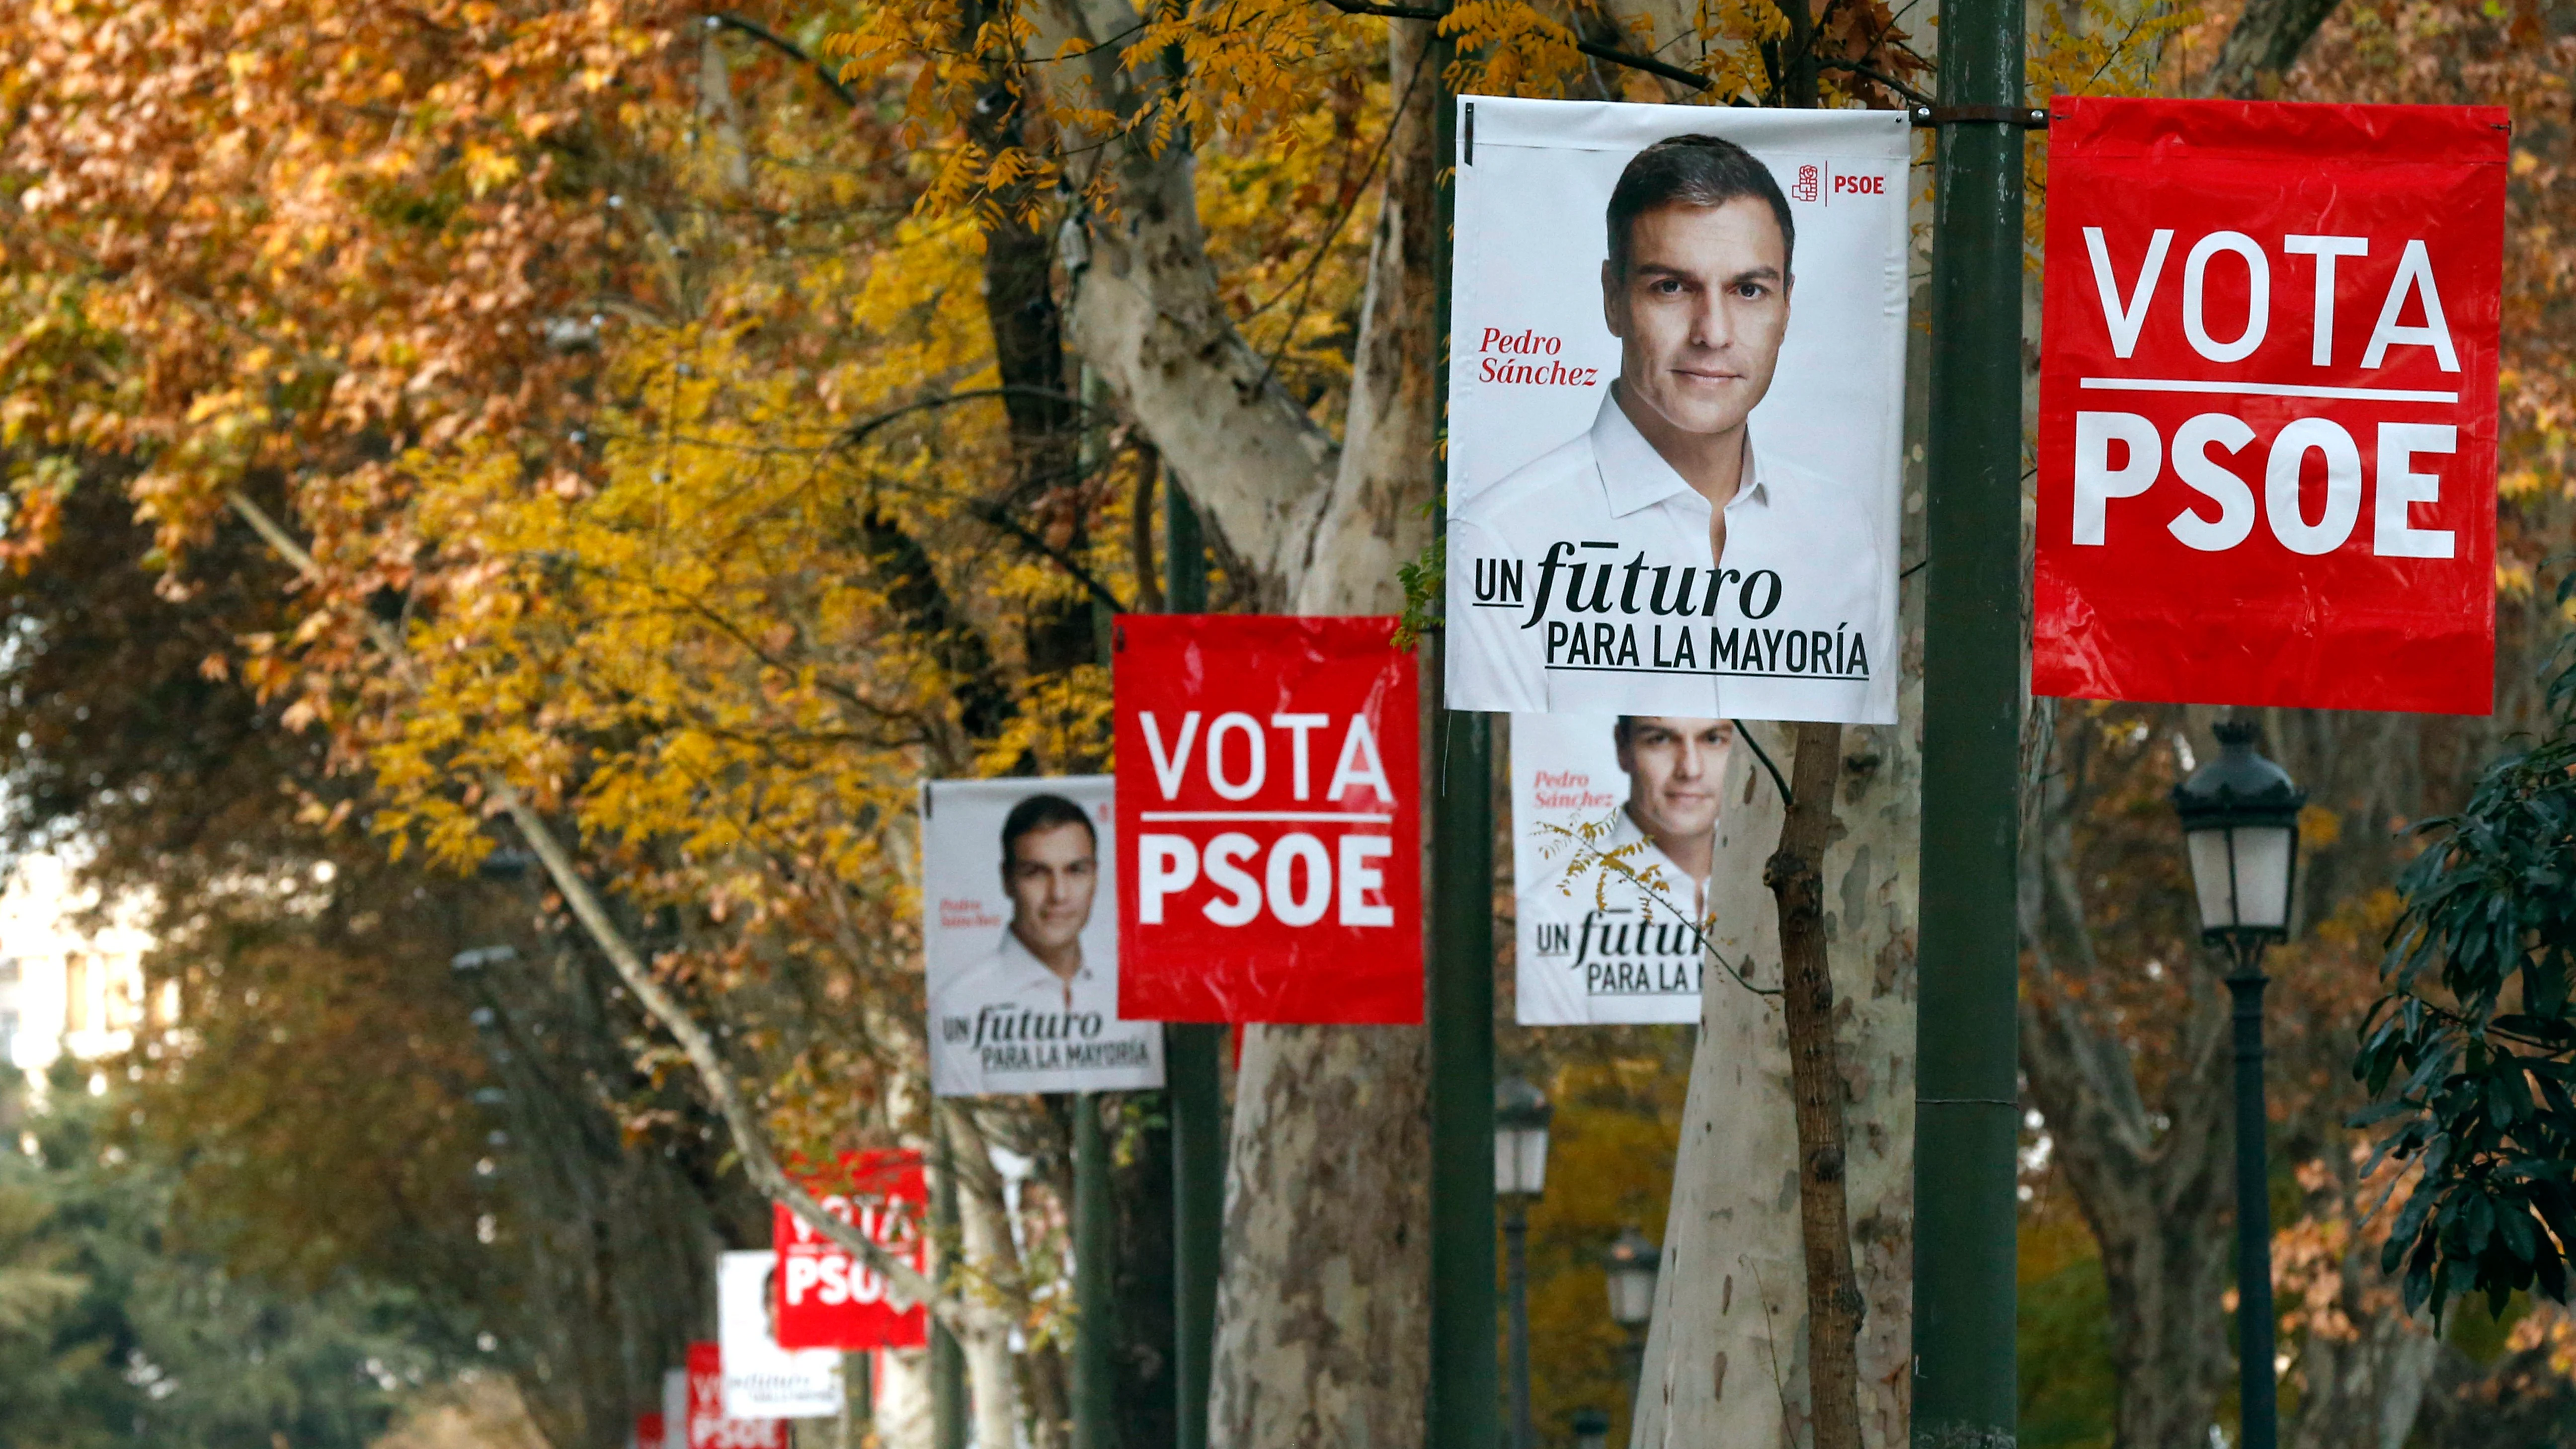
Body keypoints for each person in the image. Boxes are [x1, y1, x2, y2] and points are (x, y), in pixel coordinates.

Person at [1449, 134, 1887, 715]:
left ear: (1786, 309)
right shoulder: (1503, 540)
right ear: (1613, 299)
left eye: (1749, 290)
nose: (1712, 332)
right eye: (1672, 288)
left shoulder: (1844, 532)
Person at [1518, 716, 1731, 1023]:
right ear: (1623, 748)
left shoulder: (1768, 889)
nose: (1690, 769)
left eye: (1713, 739)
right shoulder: (1552, 910)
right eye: (1660, 739)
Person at [931, 794, 1109, 1021]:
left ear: (1095, 876)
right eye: (1036, 873)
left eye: (1076, 871)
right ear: (1007, 880)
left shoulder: (1129, 991)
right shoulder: (959, 1004)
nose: (1059, 894)